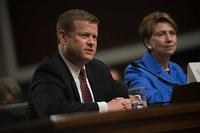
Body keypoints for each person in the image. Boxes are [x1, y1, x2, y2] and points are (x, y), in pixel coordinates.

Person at [27, 9, 131, 119]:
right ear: (63, 37)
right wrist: (105, 107)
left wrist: (134, 100)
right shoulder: (49, 71)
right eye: (85, 35)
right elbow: (52, 109)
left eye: (94, 37)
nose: (91, 42)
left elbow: (126, 93)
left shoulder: (98, 68)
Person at [124, 11, 187, 106]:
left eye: (172, 33)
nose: (169, 39)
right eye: (161, 34)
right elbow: (151, 100)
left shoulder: (176, 68)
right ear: (147, 42)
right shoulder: (135, 70)